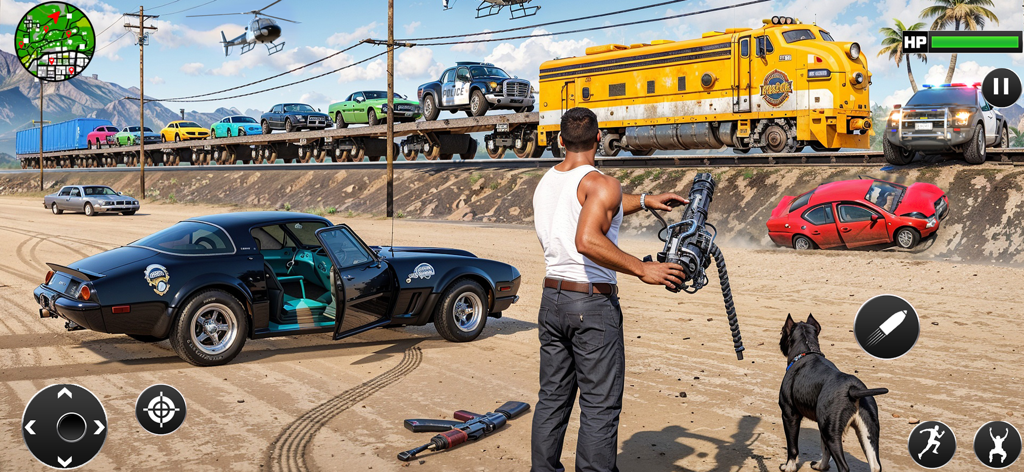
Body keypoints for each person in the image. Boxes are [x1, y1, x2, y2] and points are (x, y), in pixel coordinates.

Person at [531, 107, 688, 472]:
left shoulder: (549, 182)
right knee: (600, 406)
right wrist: (642, 269)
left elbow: (598, 205)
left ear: (559, 140)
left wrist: (646, 199)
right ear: (600, 138)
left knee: (552, 400)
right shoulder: (602, 182)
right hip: (591, 305)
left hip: (552, 300)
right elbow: (586, 238)